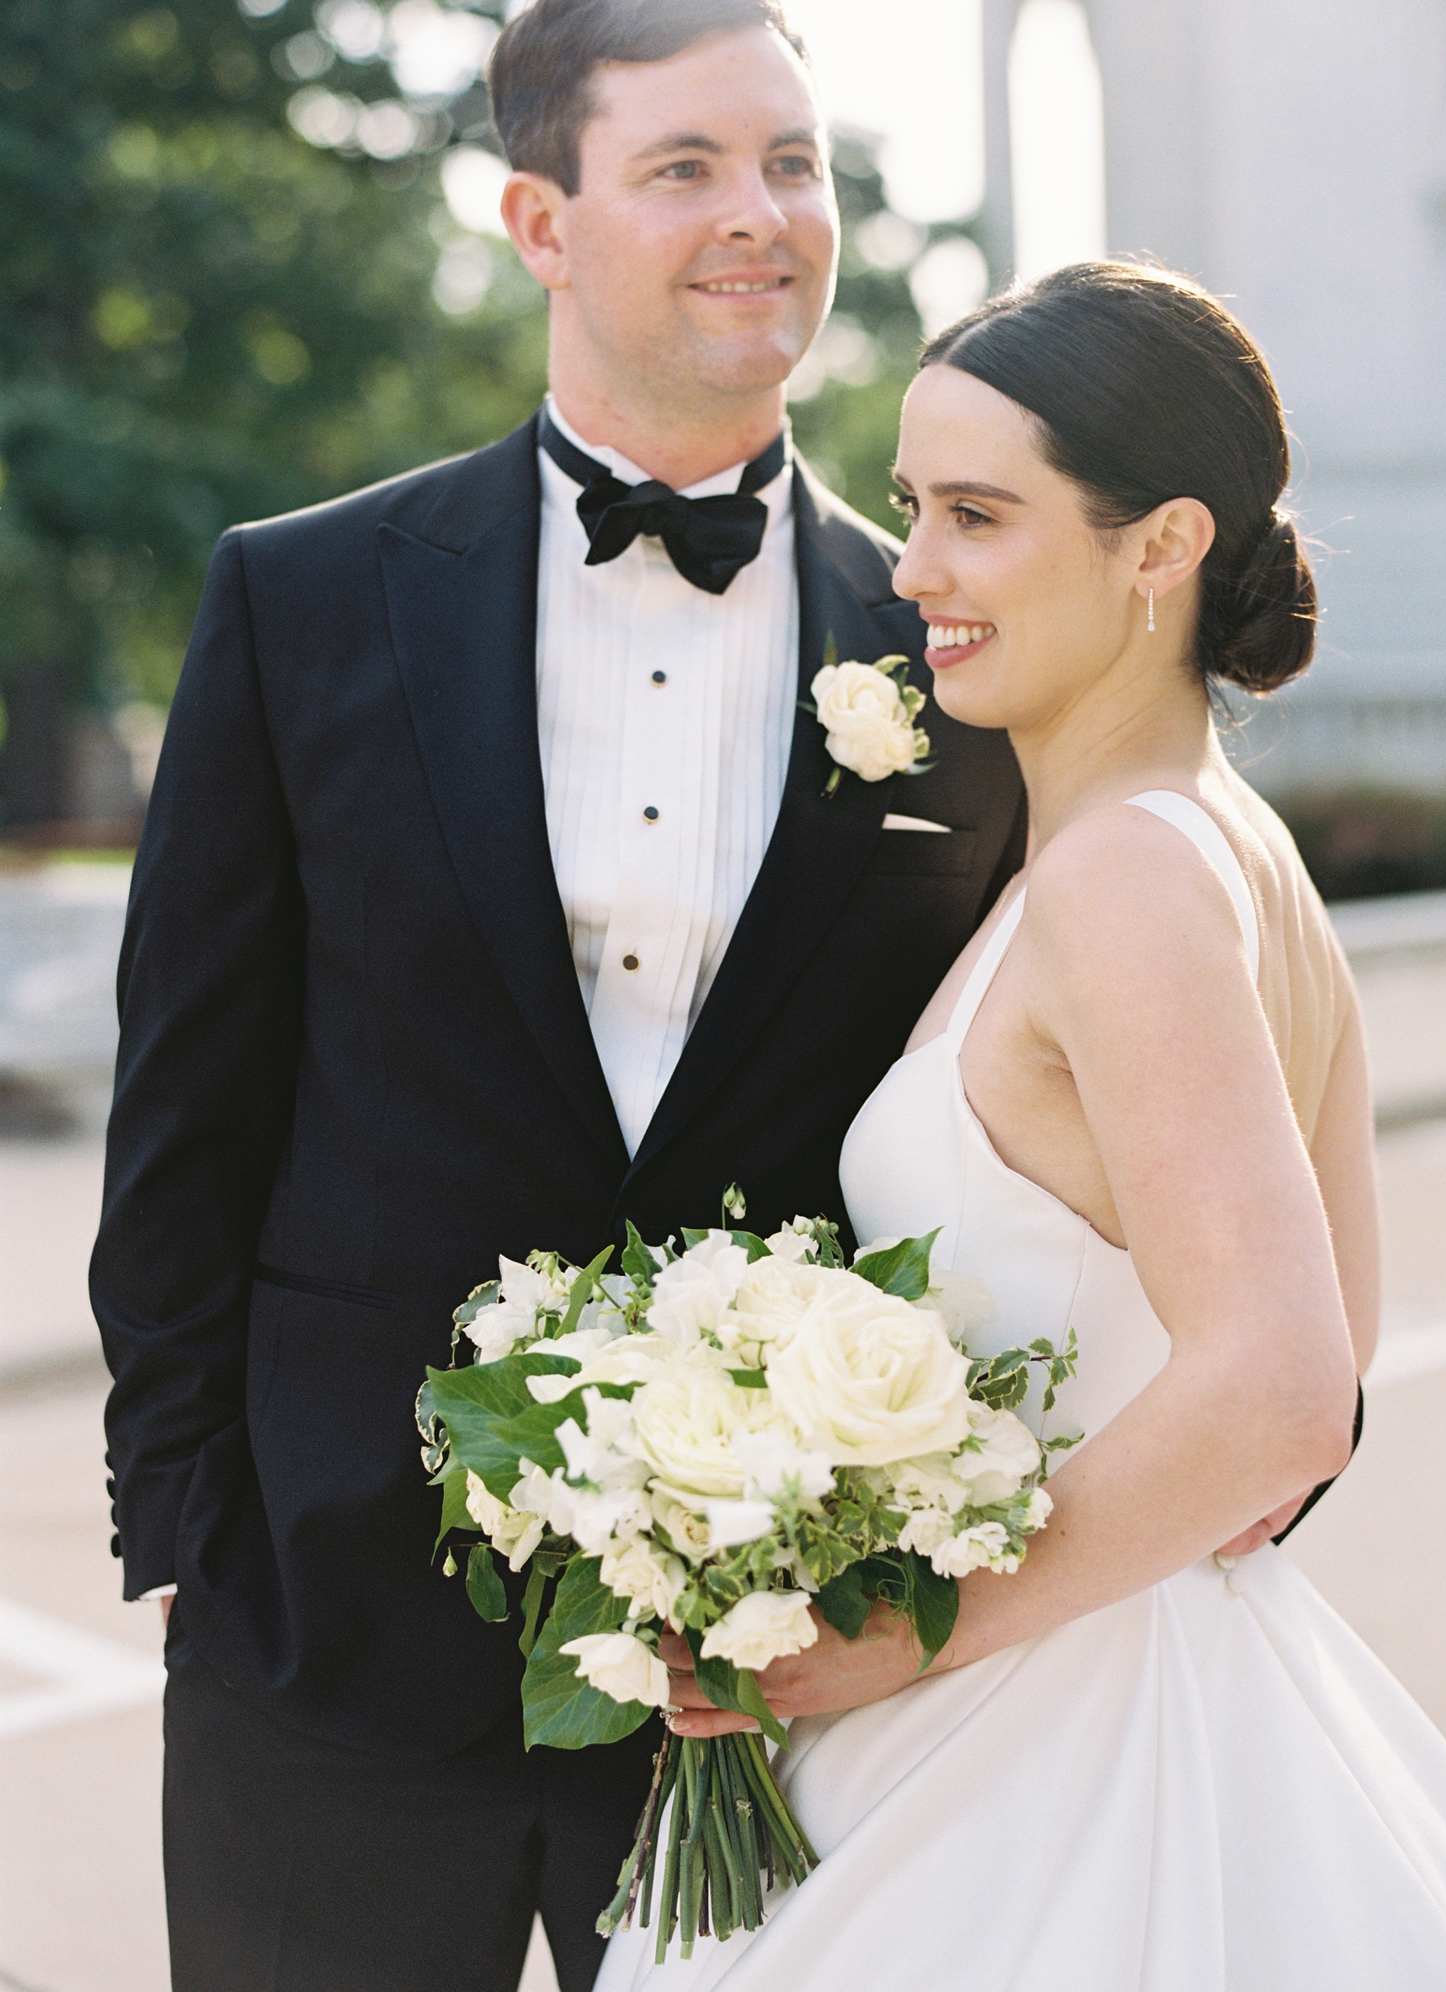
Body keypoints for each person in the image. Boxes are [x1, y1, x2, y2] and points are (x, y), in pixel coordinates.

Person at [89, 3, 1027, 1988]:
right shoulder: (306, 597)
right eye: (685, 167)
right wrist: (180, 1538)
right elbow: (187, 1109)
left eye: (793, 163)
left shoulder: (960, 659)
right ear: (540, 219)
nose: (761, 217)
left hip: (766, 1680)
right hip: (324, 1637)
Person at [611, 263, 1446, 1989]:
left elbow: (1286, 1388)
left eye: (976, 515)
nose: (916, 570)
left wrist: (888, 1633)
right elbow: (1315, 1383)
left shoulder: (1125, 884)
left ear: (1160, 546)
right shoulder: (1235, 854)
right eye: (909, 510)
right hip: (1153, 1668)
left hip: (1032, 1748)